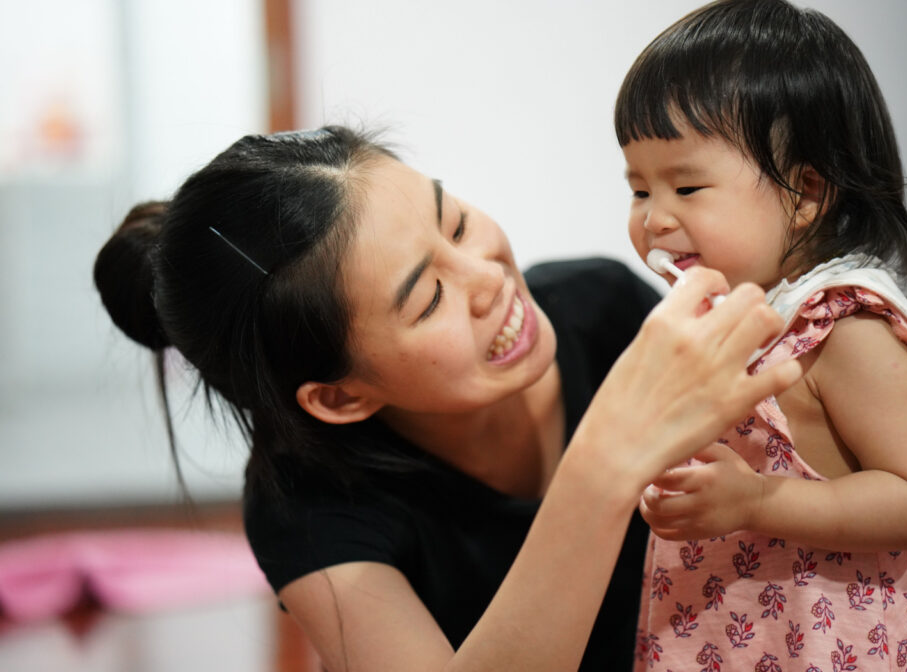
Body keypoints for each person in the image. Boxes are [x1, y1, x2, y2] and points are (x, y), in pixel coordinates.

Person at [93, 125, 800, 671]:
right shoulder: (306, 506)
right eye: (428, 297)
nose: (487, 275)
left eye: (454, 221)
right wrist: (605, 464)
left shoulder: (601, 308)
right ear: (341, 396)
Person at [615, 1, 907, 670]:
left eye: (688, 184)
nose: (655, 219)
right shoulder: (729, 316)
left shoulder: (845, 327)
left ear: (806, 193)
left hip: (838, 643)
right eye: (640, 190)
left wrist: (756, 500)